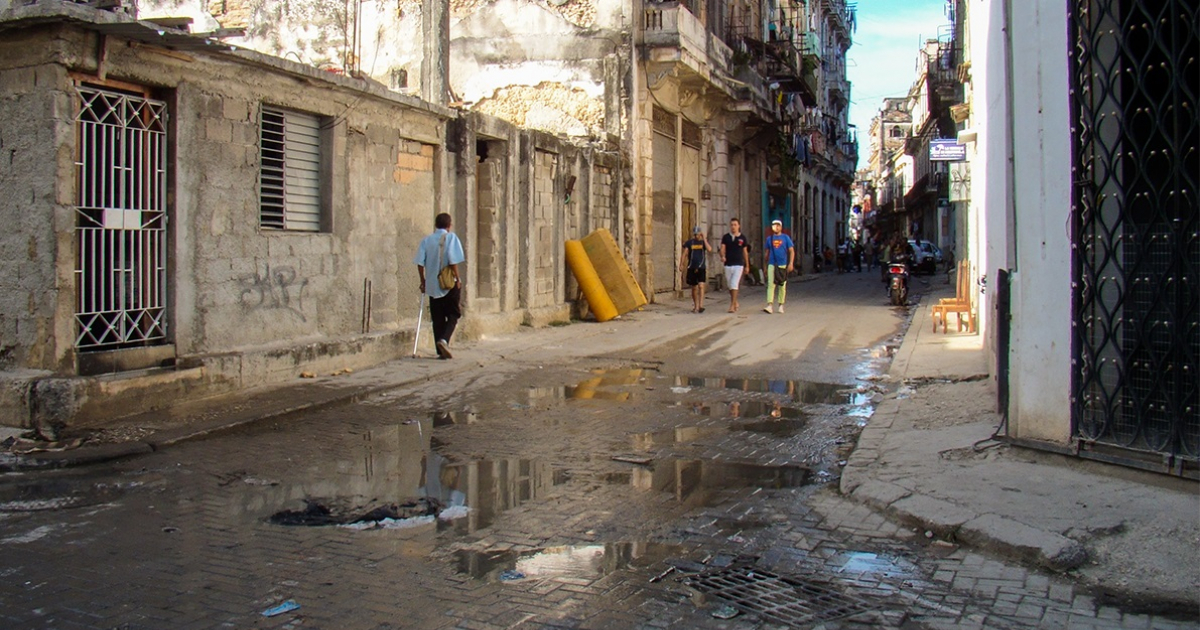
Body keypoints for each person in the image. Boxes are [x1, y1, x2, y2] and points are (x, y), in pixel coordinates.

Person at [414, 212, 464, 359]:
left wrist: (423, 281)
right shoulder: (451, 238)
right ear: (449, 226)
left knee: (438, 318)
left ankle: (439, 350)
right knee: (454, 314)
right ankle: (444, 340)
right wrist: (458, 278)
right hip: (448, 284)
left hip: (432, 285)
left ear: (435, 225)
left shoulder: (426, 240)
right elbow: (453, 260)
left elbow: (420, 263)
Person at [762, 219, 794, 314]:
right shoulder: (769, 239)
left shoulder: (786, 238)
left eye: (778, 225)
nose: (776, 227)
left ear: (781, 227)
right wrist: (765, 265)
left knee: (782, 285)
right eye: (774, 225)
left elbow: (791, 251)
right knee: (771, 284)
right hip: (772, 263)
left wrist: (791, 263)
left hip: (782, 264)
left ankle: (781, 305)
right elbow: (766, 253)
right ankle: (770, 305)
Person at [720, 218, 751, 313]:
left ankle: (732, 306)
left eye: (735, 225)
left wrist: (747, 265)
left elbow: (745, 252)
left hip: (738, 264)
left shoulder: (742, 238)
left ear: (739, 226)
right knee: (730, 285)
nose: (733, 227)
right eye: (732, 225)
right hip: (728, 264)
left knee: (734, 284)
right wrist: (722, 256)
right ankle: (735, 301)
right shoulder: (726, 237)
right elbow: (722, 248)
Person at [680, 225, 711, 312]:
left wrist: (704, 239)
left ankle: (701, 305)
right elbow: (685, 253)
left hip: (701, 267)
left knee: (701, 286)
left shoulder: (703, 243)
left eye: (698, 234)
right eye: (695, 234)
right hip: (692, 267)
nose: (697, 236)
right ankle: (696, 305)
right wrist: (681, 264)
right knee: (694, 287)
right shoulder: (690, 243)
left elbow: (709, 249)